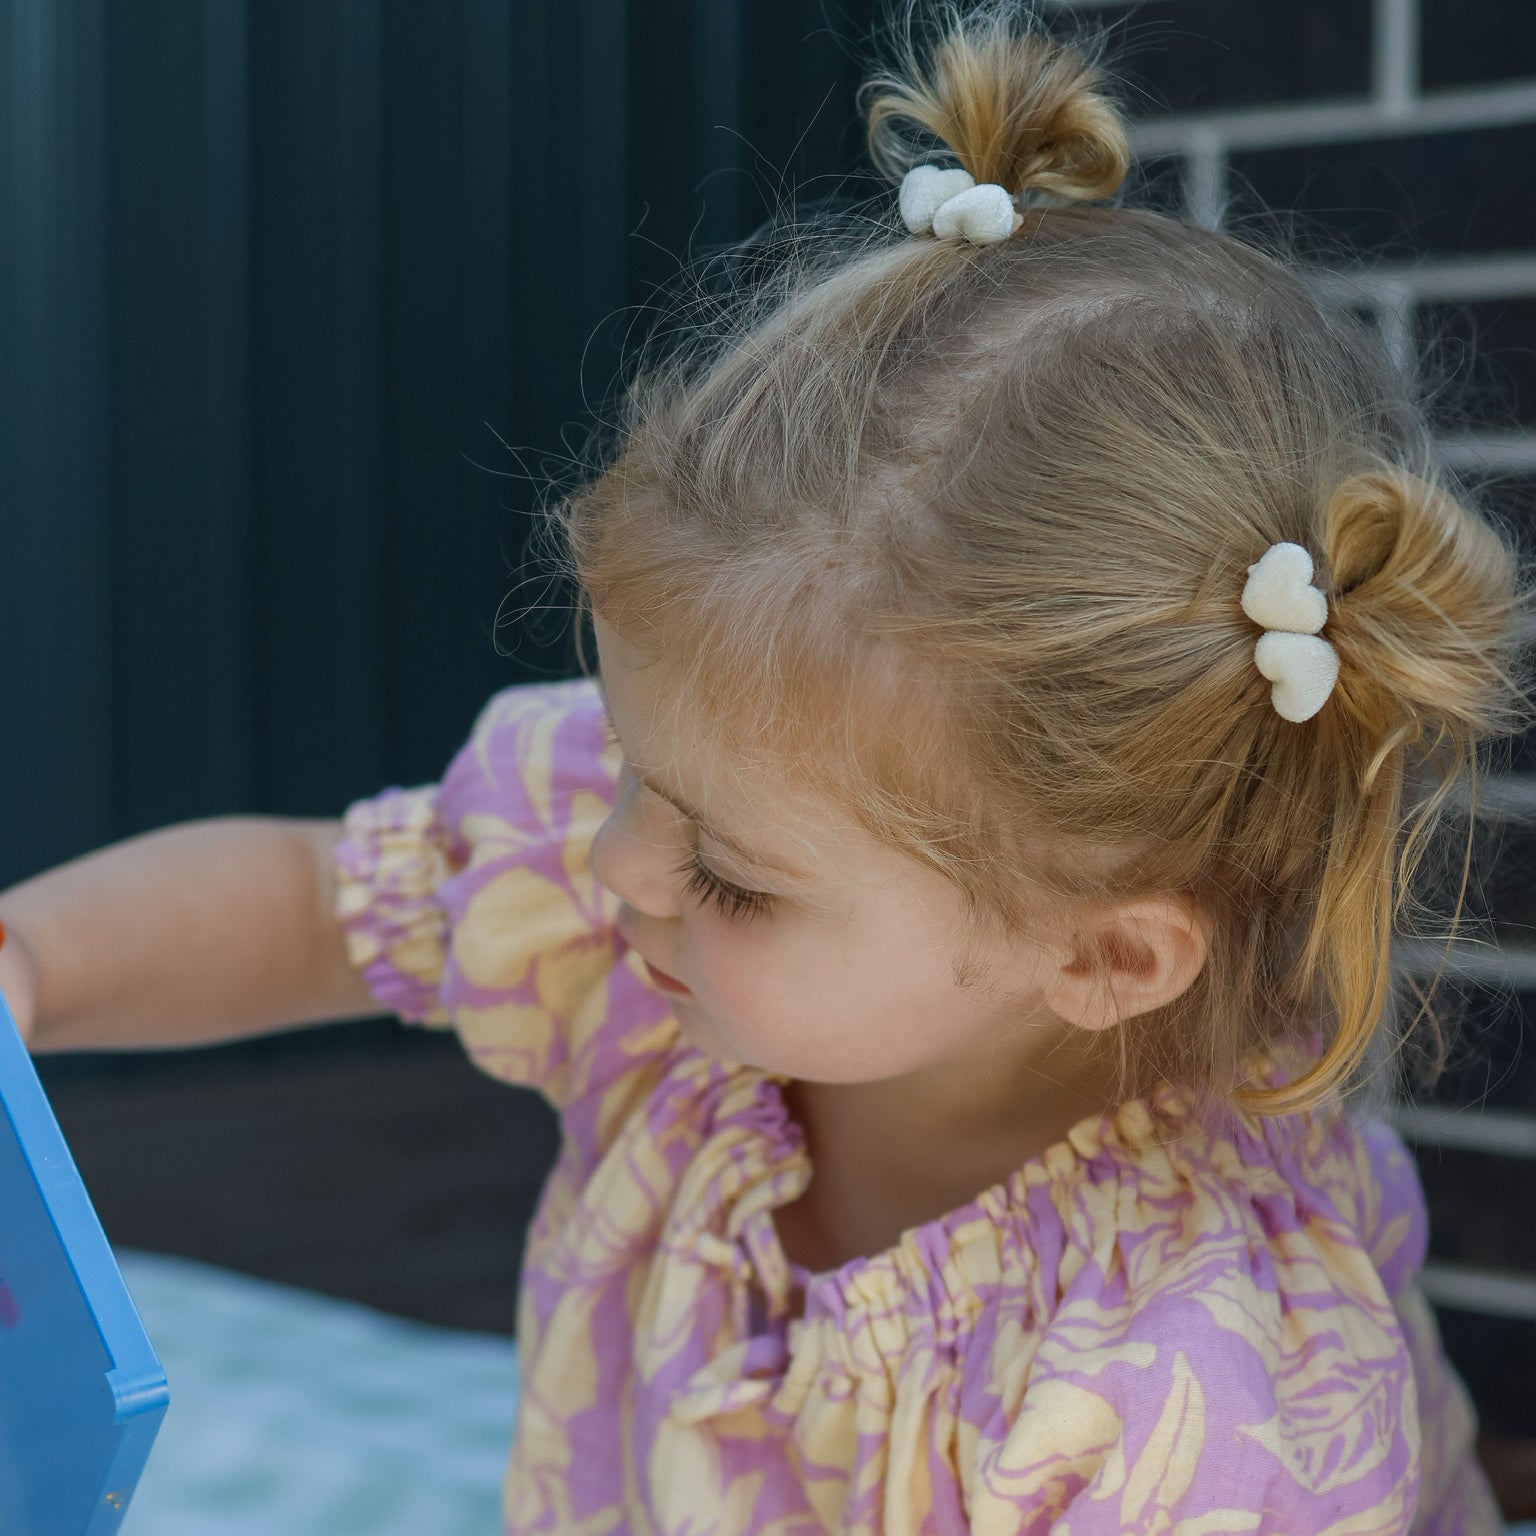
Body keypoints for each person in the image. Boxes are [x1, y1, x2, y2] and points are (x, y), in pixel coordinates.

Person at [3, 2, 1530, 1529]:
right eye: (626, 769)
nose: (613, 867)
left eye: (731, 871)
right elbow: (311, 902)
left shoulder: (1193, 1404)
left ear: (1106, 952)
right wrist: (34, 967)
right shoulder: (666, 929)